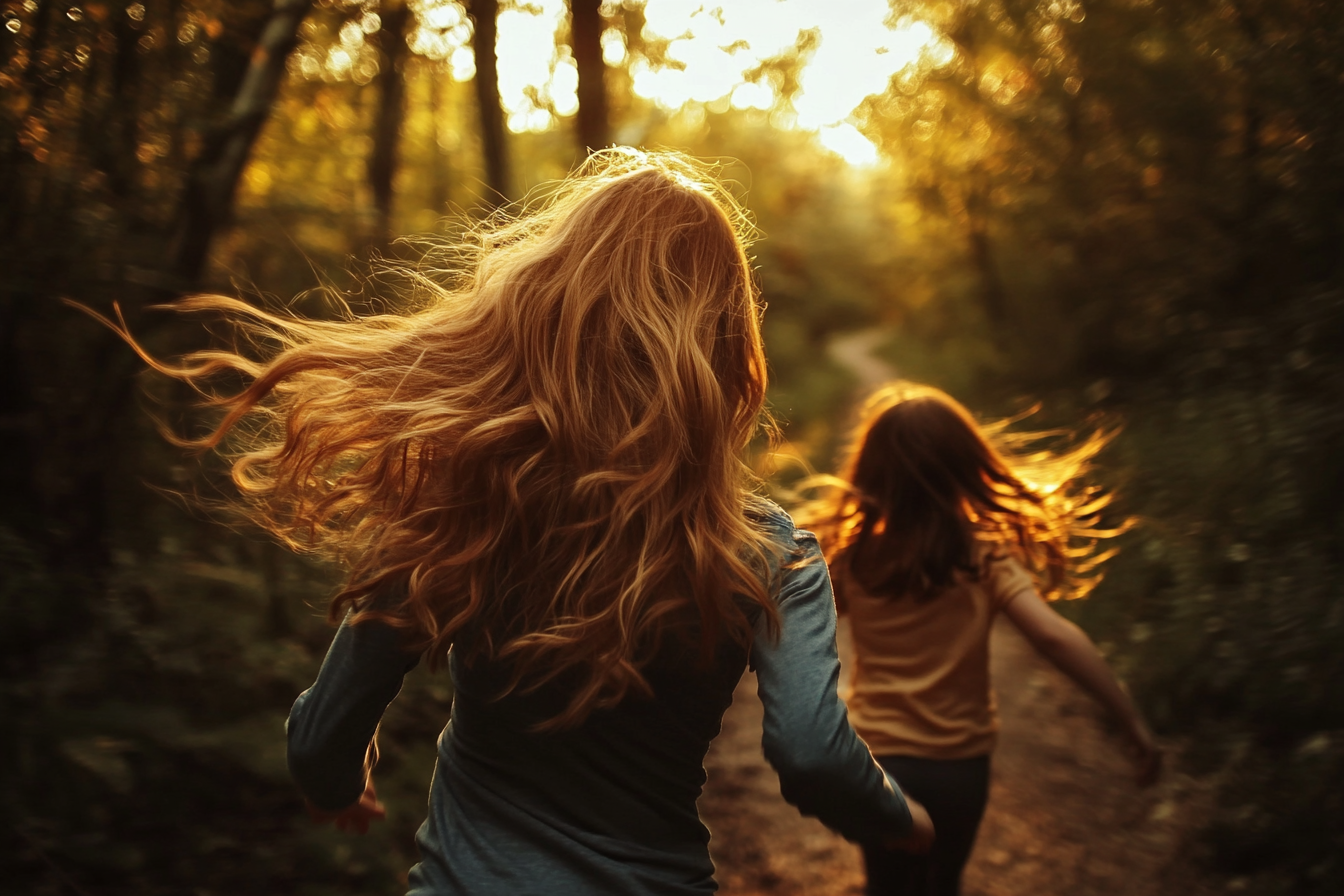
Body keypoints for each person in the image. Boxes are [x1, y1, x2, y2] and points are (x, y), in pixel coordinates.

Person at [92, 149, 933, 894]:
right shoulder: (769, 552)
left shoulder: (469, 503)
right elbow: (815, 754)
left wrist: (339, 788)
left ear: (553, 309)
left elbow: (319, 740)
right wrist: (898, 818)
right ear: (723, 343)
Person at [800, 382, 1161, 896]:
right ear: (965, 468)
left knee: (886, 886)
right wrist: (1129, 718)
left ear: (873, 473)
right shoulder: (985, 557)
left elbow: (799, 632)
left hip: (878, 764)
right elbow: (1054, 637)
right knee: (944, 881)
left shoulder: (855, 558)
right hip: (959, 767)